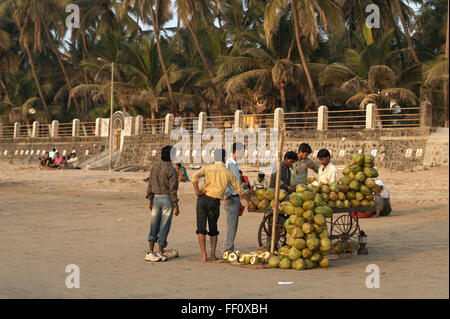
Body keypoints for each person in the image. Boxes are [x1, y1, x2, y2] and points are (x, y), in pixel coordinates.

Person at [191, 148, 252, 263]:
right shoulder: (227, 172)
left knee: (201, 228)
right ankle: (213, 256)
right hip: (214, 202)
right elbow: (239, 190)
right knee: (213, 229)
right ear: (224, 158)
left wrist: (197, 191)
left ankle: (204, 256)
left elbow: (194, 177)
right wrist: (249, 201)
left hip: (202, 199)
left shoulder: (207, 168)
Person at [145, 145, 180, 262]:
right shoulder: (172, 170)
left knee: (153, 224)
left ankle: (150, 251)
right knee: (164, 226)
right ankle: (159, 251)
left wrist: (150, 200)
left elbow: (150, 184)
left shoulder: (154, 167)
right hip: (167, 199)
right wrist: (176, 206)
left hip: (155, 198)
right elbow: (173, 189)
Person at [223, 142, 245, 255]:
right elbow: (225, 180)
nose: (243, 153)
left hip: (236, 198)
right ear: (237, 151)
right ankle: (227, 250)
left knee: (233, 225)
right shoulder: (229, 164)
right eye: (243, 151)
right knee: (231, 225)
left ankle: (230, 248)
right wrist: (228, 194)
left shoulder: (235, 165)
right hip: (231, 198)